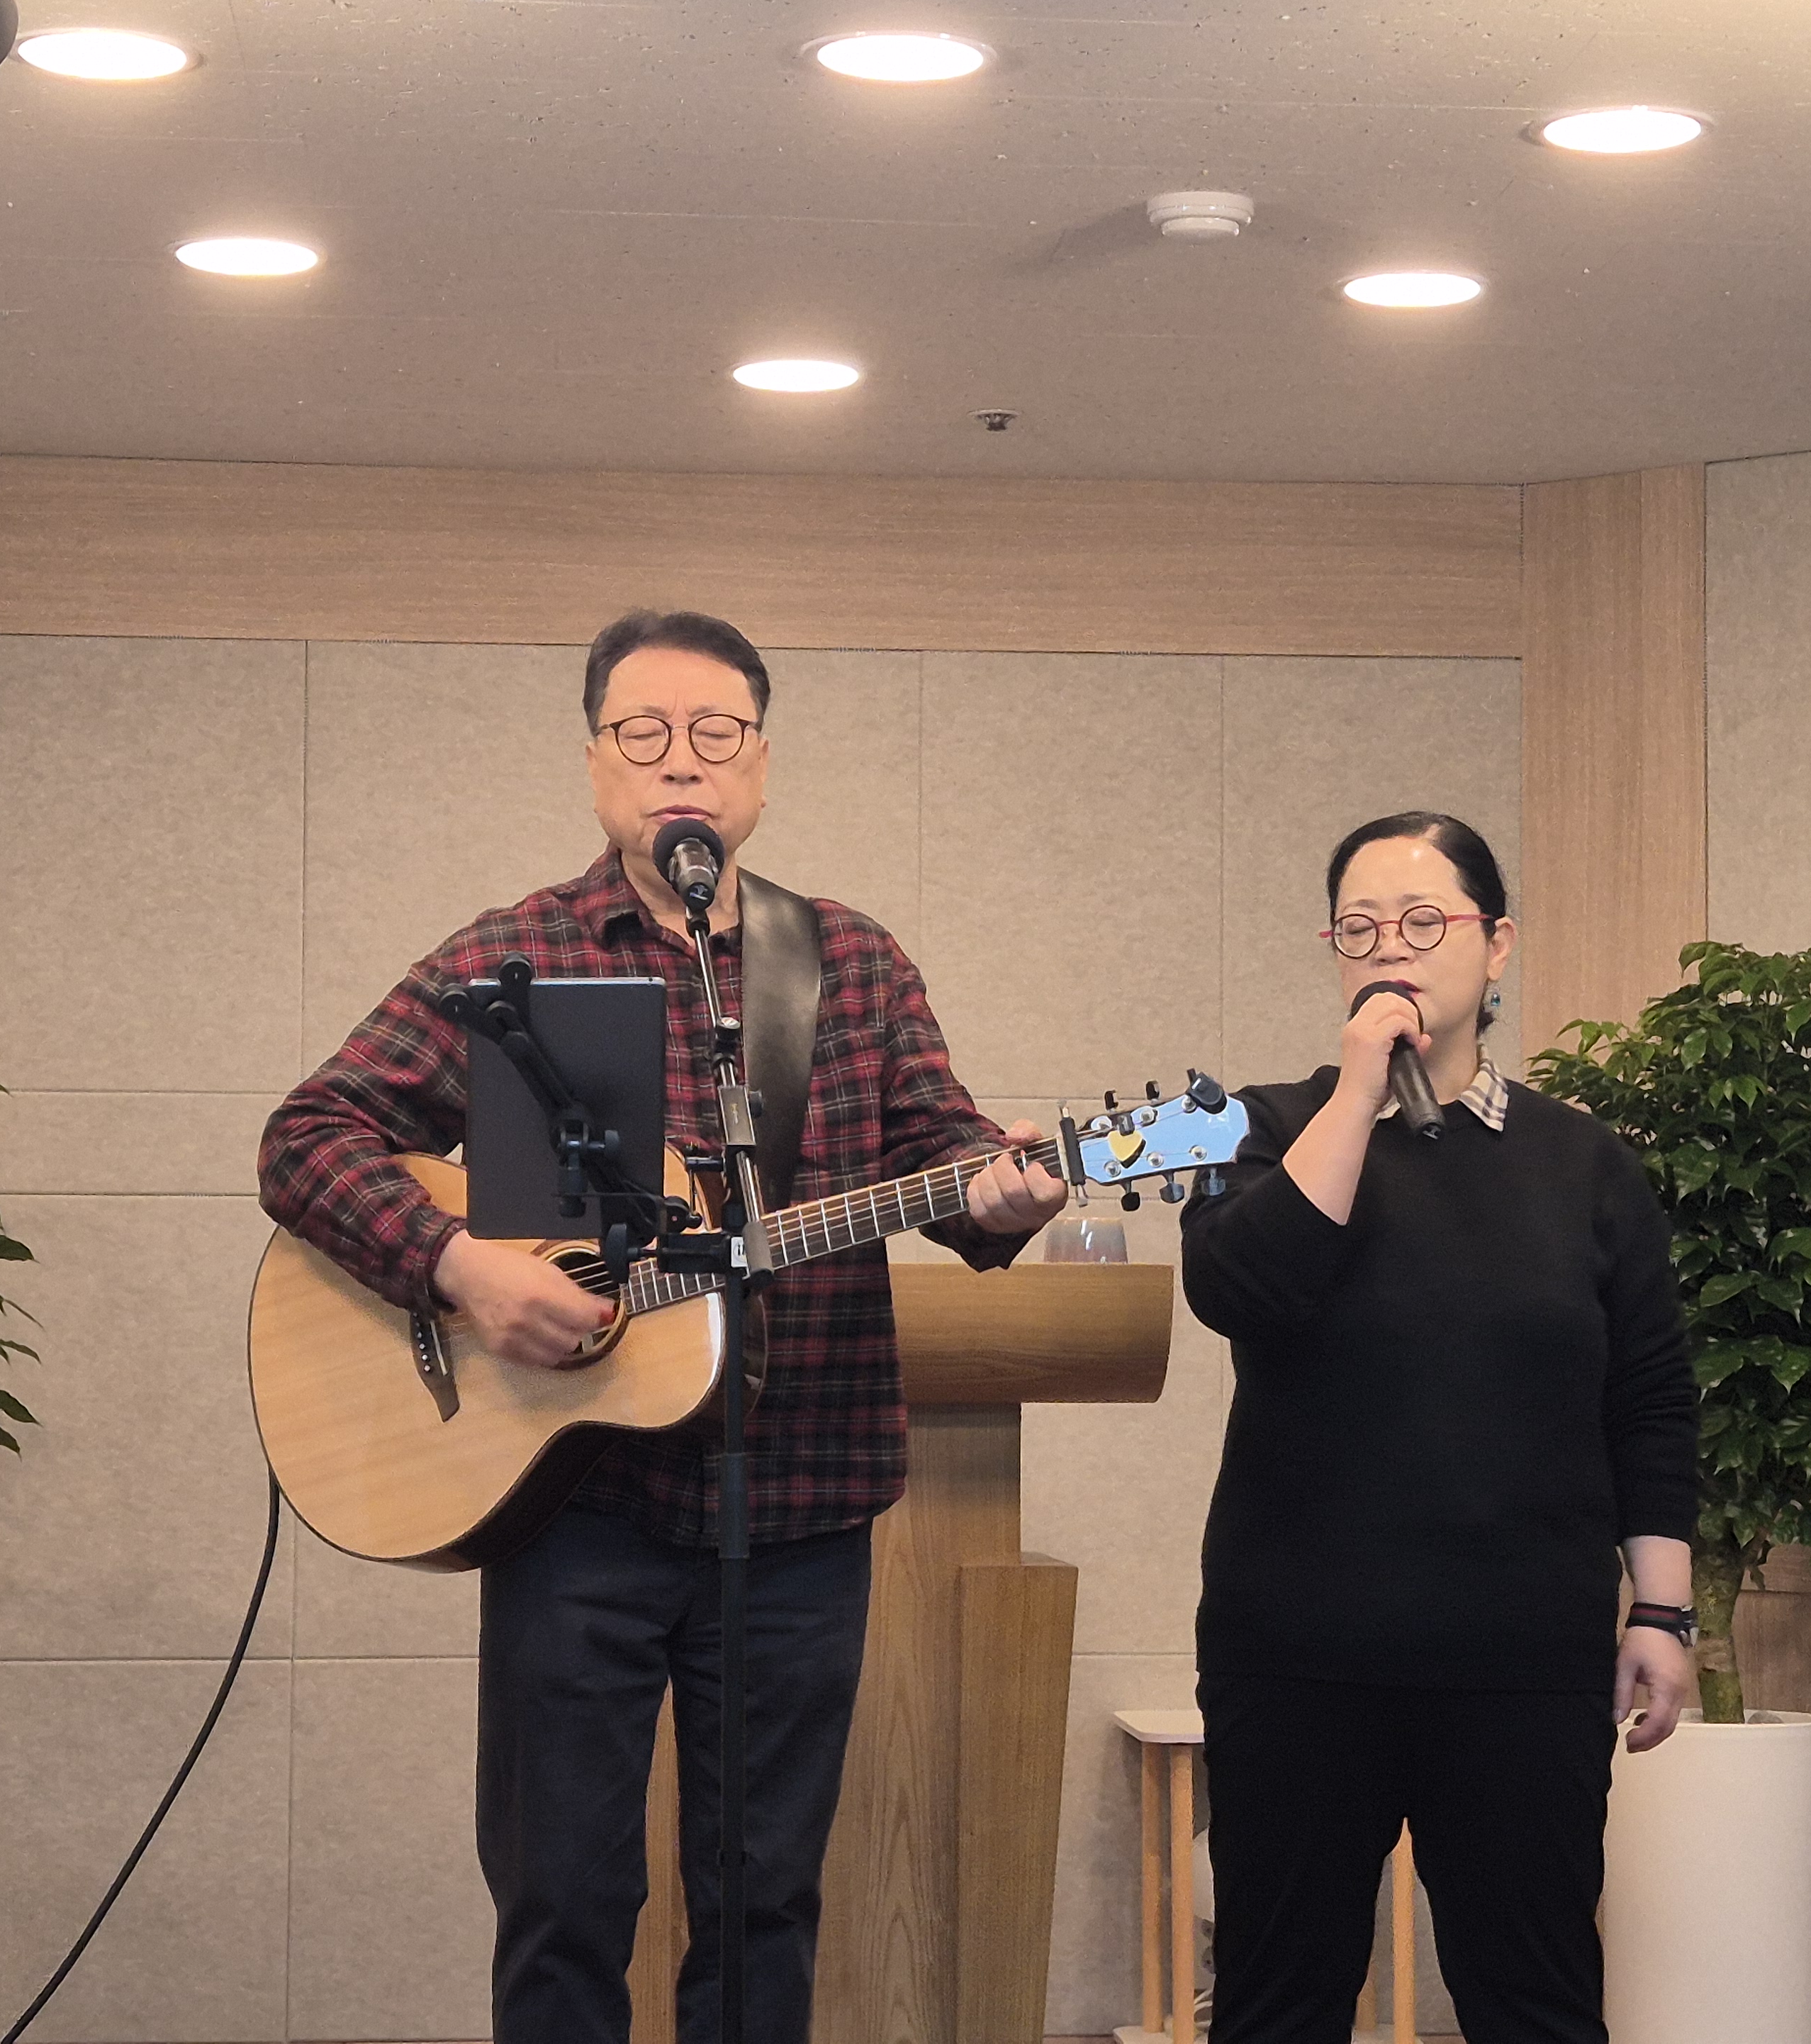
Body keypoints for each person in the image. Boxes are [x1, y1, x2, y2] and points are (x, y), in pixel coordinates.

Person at [258, 609, 1068, 2044]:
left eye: (714, 733)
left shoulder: (848, 961)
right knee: (563, 1900)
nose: (679, 762)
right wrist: (458, 1267)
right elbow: (308, 1138)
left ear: (759, 765)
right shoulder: (518, 953)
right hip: (578, 1504)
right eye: (643, 734)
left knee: (765, 1906)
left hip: (802, 1502)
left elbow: (945, 1162)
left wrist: (1003, 1191)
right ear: (594, 765)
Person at [1177, 810, 1699, 2044]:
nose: (1391, 950)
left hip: (1520, 1656)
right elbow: (1240, 1290)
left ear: (1496, 944)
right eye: (1360, 929)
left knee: (1536, 2004)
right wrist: (1358, 1091)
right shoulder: (1253, 1127)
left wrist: (1663, 1612)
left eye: (1424, 922)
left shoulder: (1586, 1164)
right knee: (1276, 2004)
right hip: (1296, 1653)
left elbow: (1649, 1397)